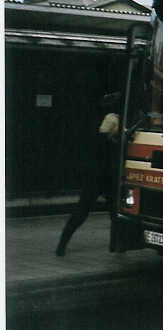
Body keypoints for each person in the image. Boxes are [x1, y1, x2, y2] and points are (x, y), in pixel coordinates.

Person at [56, 92, 121, 257]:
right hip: (106, 176)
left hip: (94, 174)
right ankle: (115, 244)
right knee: (114, 212)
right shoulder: (111, 123)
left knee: (82, 210)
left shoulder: (95, 126)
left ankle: (62, 244)